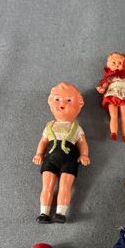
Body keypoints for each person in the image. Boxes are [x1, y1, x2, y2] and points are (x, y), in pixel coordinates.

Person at [33, 82, 90, 223]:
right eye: (57, 99)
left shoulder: (76, 127)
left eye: (68, 100)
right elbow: (43, 141)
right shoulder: (49, 126)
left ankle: (60, 213)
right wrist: (39, 154)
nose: (62, 104)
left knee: (65, 186)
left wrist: (84, 155)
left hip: (69, 160)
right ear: (50, 102)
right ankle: (43, 213)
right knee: (47, 186)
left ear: (79, 105)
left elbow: (82, 142)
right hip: (50, 159)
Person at [96, 52, 125, 142]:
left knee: (124, 117)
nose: (117, 65)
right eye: (114, 63)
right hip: (112, 97)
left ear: (124, 65)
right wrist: (101, 89)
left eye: (120, 63)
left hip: (124, 97)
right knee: (113, 116)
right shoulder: (109, 79)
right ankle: (113, 132)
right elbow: (104, 88)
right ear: (108, 65)